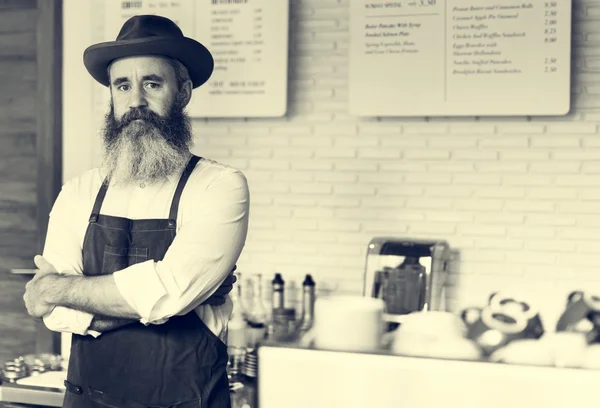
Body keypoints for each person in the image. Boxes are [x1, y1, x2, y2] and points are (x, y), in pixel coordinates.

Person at [23, 14, 249, 408]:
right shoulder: (79, 191)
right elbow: (56, 317)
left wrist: (57, 288)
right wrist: (163, 297)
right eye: (123, 85)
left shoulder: (219, 186)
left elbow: (171, 293)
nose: (136, 101)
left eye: (153, 84)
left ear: (183, 92)